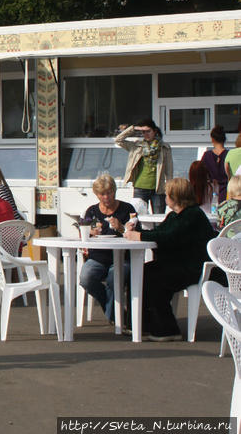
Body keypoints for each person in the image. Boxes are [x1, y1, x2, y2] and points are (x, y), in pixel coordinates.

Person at [125, 178, 216, 341]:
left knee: (155, 278)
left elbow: (169, 236)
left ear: (175, 197)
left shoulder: (192, 215)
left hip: (193, 267)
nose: (165, 197)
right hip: (180, 263)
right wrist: (136, 232)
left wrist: (138, 235)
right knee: (141, 272)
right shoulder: (175, 215)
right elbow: (161, 233)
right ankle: (140, 324)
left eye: (167, 194)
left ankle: (166, 329)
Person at [77, 174, 133, 324]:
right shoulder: (92, 211)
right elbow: (82, 230)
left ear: (114, 191)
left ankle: (115, 316)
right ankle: (116, 313)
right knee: (86, 279)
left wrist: (121, 228)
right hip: (98, 258)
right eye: (102, 194)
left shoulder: (127, 209)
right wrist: (90, 232)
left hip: (122, 257)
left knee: (115, 276)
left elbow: (137, 233)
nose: (106, 197)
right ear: (97, 194)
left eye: (109, 193)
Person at [115, 119, 173, 214]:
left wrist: (170, 189)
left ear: (155, 131)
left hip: (158, 189)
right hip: (140, 187)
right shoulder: (137, 146)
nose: (146, 134)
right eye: (143, 132)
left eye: (148, 131)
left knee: (158, 218)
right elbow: (118, 140)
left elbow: (169, 170)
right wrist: (133, 128)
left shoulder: (164, 147)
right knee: (139, 218)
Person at [202, 125, 228, 203]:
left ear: (212, 139)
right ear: (224, 139)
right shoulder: (229, 155)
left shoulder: (207, 156)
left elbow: (201, 175)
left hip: (210, 194)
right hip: (227, 193)